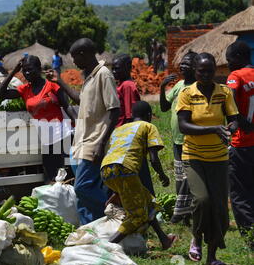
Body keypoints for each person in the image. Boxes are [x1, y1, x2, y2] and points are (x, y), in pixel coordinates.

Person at [177, 52, 239, 265]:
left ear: (215, 71)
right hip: (193, 155)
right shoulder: (187, 93)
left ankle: (211, 257)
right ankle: (197, 237)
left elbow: (233, 120)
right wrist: (213, 128)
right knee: (202, 200)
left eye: (210, 71)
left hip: (219, 158)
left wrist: (230, 129)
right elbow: (183, 126)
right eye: (201, 71)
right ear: (195, 71)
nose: (205, 74)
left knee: (220, 209)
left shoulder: (224, 93)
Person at [48, 38, 120, 225]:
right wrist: (59, 82)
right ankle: (90, 229)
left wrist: (101, 143)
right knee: (83, 196)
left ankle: (117, 209)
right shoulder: (89, 76)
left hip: (94, 142)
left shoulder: (104, 74)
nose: (74, 62)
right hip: (82, 141)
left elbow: (114, 110)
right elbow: (80, 100)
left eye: (75, 57)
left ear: (84, 54)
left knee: (82, 188)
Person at [101, 101, 178, 249]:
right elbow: (153, 158)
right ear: (149, 115)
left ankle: (164, 239)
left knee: (149, 202)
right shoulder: (147, 126)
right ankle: (106, 247)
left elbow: (115, 154)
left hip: (106, 170)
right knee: (137, 216)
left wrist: (116, 190)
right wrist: (162, 175)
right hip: (125, 170)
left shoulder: (119, 129)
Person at [0, 55, 77, 183]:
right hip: (47, 142)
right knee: (52, 181)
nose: (27, 73)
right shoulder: (24, 89)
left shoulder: (52, 85)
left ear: (39, 69)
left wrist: (79, 125)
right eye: (24, 70)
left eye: (30, 69)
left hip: (63, 137)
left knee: (70, 179)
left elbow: (67, 106)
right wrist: (15, 70)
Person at [159, 51, 198, 224]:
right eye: (182, 63)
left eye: (187, 64)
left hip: (191, 140)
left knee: (188, 178)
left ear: (195, 67)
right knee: (179, 176)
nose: (183, 66)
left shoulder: (198, 87)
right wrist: (162, 88)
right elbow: (165, 107)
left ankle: (179, 213)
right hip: (177, 140)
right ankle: (185, 214)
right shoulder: (179, 84)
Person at [112, 53, 154, 197]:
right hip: (123, 137)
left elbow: (131, 116)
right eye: (113, 68)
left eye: (117, 68)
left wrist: (128, 141)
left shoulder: (127, 86)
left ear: (127, 68)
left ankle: (151, 210)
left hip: (127, 138)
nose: (114, 72)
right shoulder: (121, 85)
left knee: (140, 175)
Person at [225, 41, 254, 250]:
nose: (227, 65)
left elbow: (231, 104)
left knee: (239, 193)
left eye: (229, 60)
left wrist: (240, 122)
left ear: (237, 57)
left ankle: (250, 239)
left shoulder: (236, 76)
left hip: (242, 142)